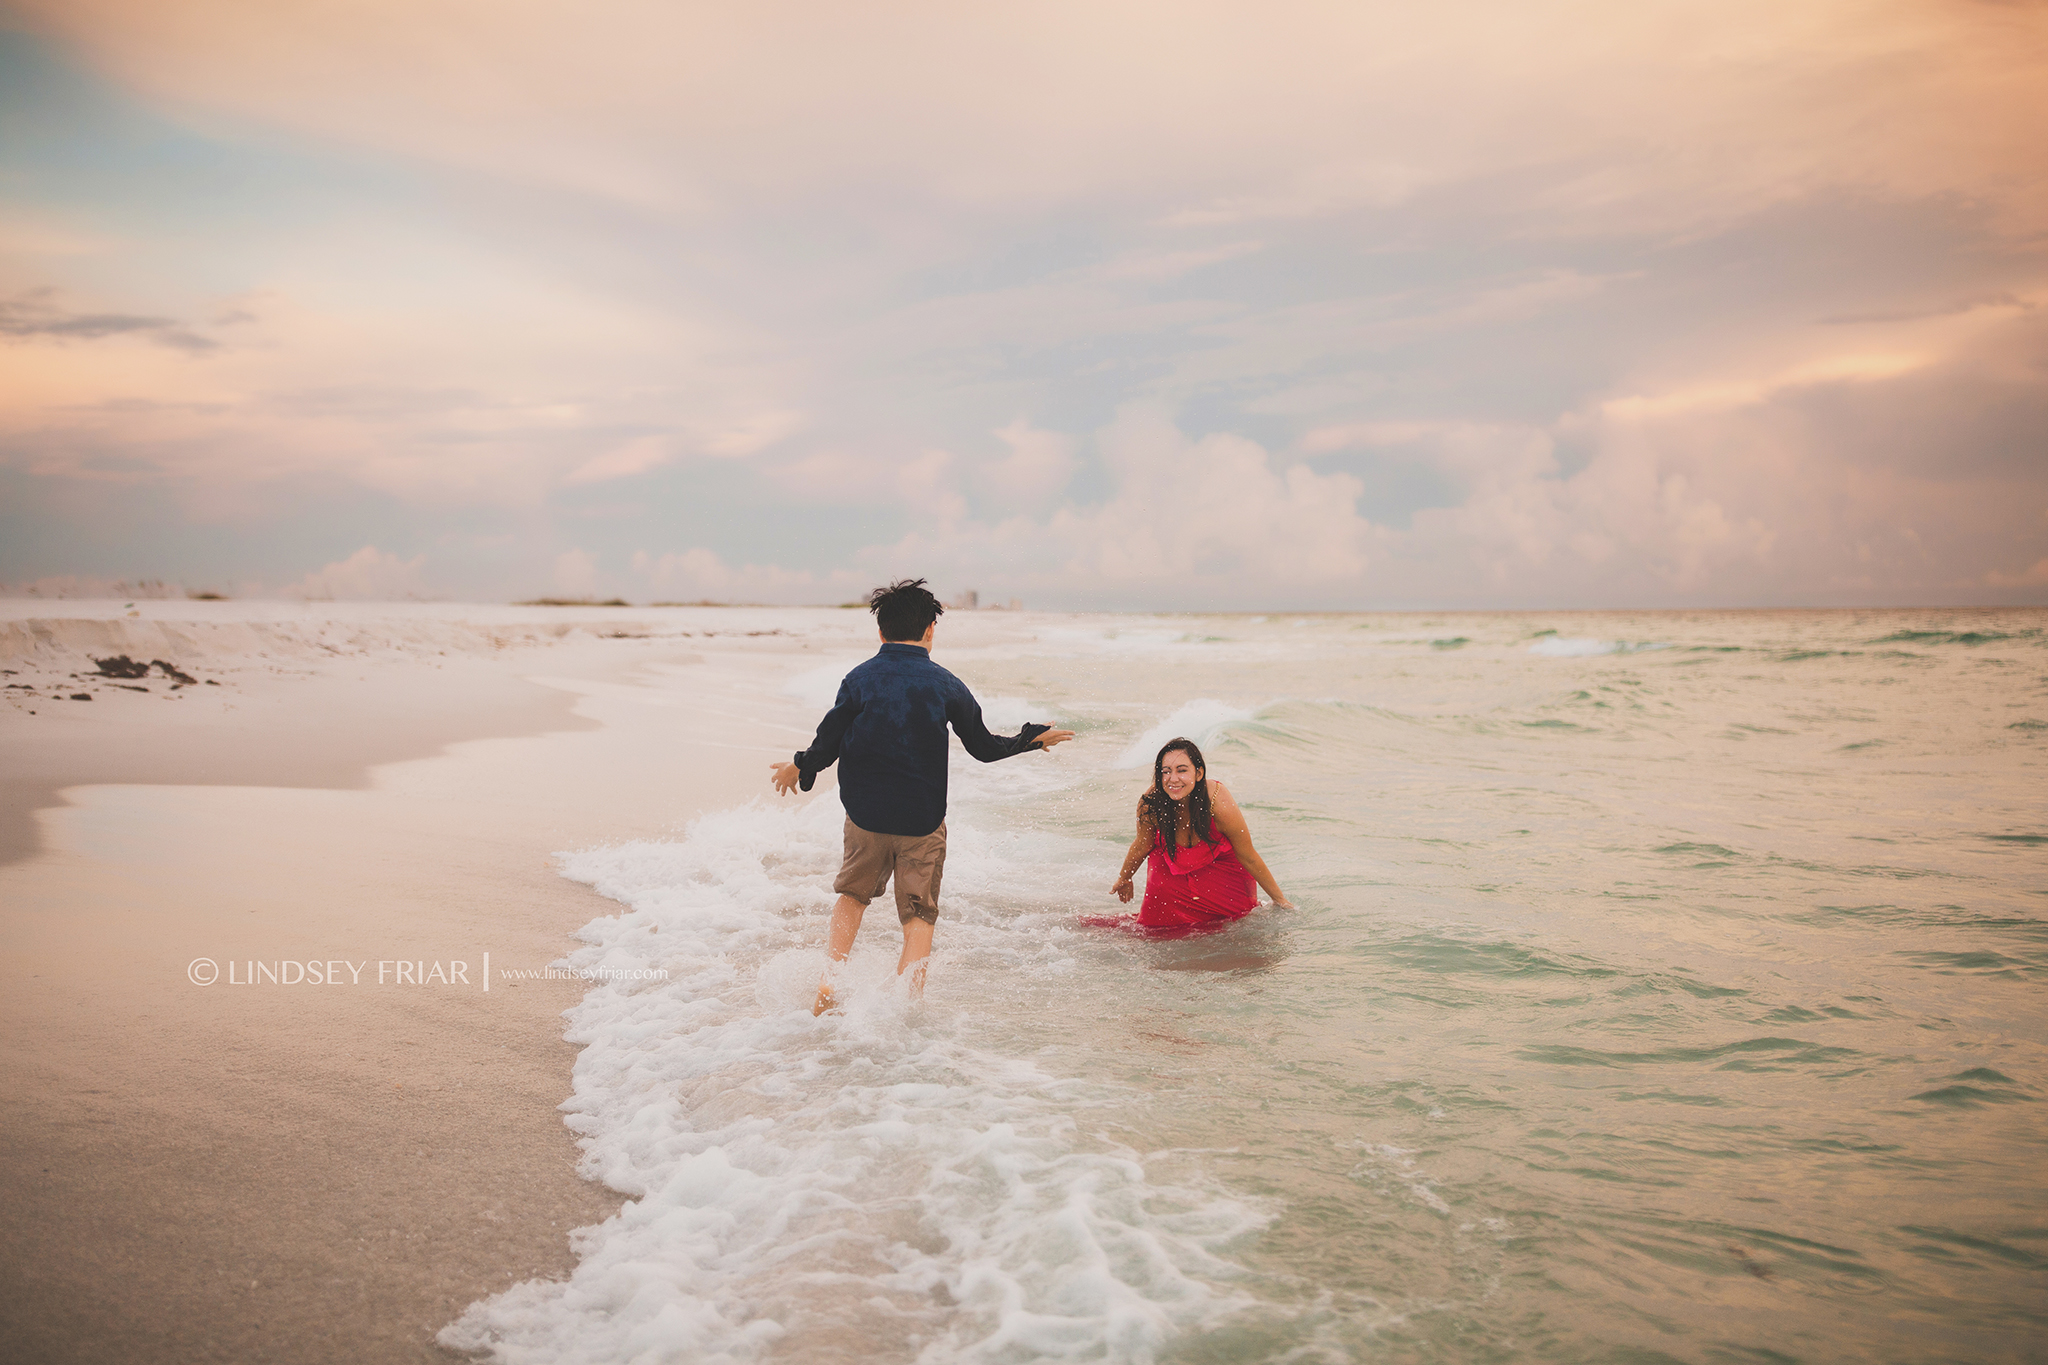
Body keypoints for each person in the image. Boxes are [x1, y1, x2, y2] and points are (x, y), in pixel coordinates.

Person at [771, 578, 1075, 1014]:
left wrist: (796, 766)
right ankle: (903, 1008)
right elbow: (984, 748)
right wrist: (1032, 739)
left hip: (866, 818)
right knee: (918, 916)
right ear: (931, 630)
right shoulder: (946, 684)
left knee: (852, 897)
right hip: (921, 822)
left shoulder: (858, 679)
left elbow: (826, 744)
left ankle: (828, 987)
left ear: (880, 632)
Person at [1111, 737, 1291, 927]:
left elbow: (1248, 855)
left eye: (1182, 770)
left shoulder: (1217, 801)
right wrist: (1124, 878)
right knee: (1156, 932)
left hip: (1222, 867)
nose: (1173, 779)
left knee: (1236, 929)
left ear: (1198, 773)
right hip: (1169, 865)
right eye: (1166, 772)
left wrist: (1280, 901)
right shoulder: (1151, 802)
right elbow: (1142, 844)